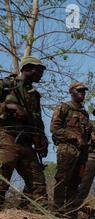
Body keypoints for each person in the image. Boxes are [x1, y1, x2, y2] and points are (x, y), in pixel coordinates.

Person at [0, 56, 48, 208]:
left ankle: (32, 218)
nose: (41, 74)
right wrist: (8, 107)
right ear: (27, 69)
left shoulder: (34, 94)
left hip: (27, 142)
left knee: (38, 185)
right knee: (2, 179)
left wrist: (42, 140)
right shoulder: (7, 85)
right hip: (7, 137)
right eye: (38, 71)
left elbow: (37, 120)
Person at [51, 81, 92, 216]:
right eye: (79, 91)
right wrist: (74, 137)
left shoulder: (84, 113)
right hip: (67, 149)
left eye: (84, 92)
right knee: (63, 178)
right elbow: (55, 129)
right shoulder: (64, 107)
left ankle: (70, 210)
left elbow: (86, 135)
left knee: (76, 180)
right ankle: (58, 208)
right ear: (72, 92)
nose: (82, 94)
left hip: (82, 152)